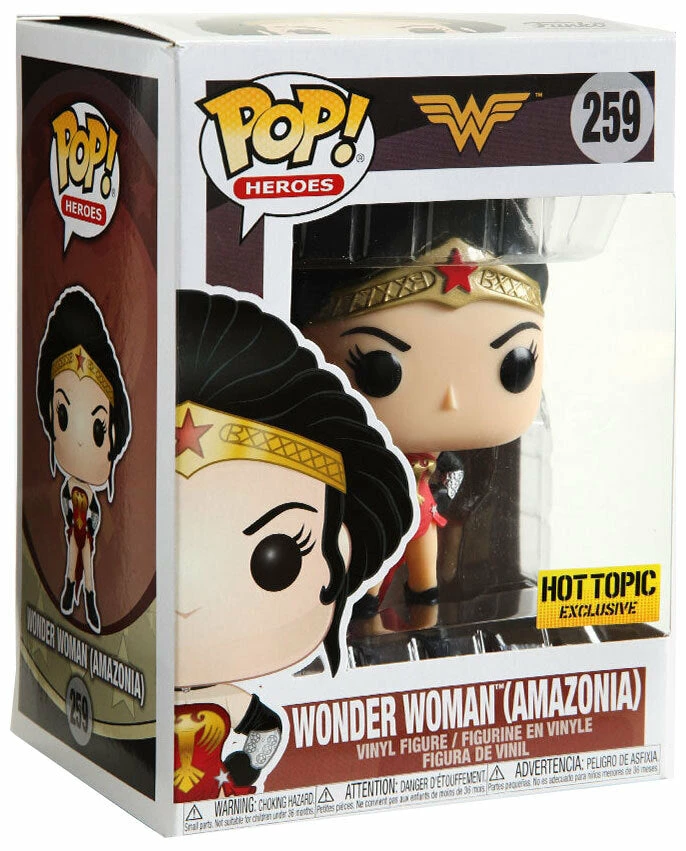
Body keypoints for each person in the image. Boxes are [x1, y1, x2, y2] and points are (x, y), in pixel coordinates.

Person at [173, 289, 413, 801]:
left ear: (337, 562)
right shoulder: (127, 687)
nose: (185, 599)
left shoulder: (233, 700)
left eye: (276, 559)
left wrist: (243, 769)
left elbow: (265, 731)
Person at [292, 200, 547, 616]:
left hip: (424, 510)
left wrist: (451, 497)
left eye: (514, 365)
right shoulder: (362, 455)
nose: (451, 400)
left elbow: (455, 475)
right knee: (375, 555)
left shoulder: (442, 459)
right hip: (380, 512)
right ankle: (367, 601)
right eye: (379, 368)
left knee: (423, 561)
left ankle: (424, 596)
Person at [36, 286, 132, 634]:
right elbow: (66, 502)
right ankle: (70, 591)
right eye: (62, 416)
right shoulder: (69, 489)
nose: (78, 441)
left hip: (85, 533)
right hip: (73, 531)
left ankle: (87, 598)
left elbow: (92, 513)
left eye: (97, 429)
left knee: (85, 560)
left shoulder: (89, 494)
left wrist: (87, 522)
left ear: (112, 435)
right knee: (72, 558)